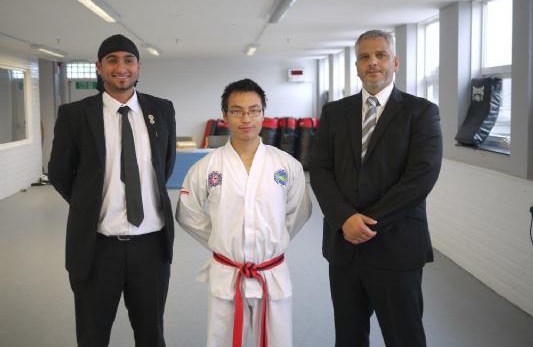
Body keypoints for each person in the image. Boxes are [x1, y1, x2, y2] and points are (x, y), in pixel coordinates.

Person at [310, 30, 443, 347]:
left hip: (397, 245)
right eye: (364, 57)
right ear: (356, 66)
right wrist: (345, 218)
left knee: (404, 337)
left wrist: (368, 223)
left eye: (380, 55)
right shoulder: (334, 113)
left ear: (395, 62)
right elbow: (320, 170)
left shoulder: (421, 112)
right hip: (345, 248)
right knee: (349, 336)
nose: (372, 62)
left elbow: (421, 177)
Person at [48, 34, 176, 347]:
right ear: (99, 67)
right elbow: (60, 173)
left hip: (151, 246)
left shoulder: (161, 110)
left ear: (139, 66)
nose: (121, 67)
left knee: (151, 335)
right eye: (112, 60)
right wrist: (88, 202)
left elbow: (165, 165)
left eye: (128, 60)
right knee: (92, 337)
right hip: (97, 248)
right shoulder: (75, 115)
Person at [176, 78, 311, 347]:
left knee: (277, 341)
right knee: (223, 341)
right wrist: (220, 237)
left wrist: (273, 237)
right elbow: (187, 213)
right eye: (237, 111)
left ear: (263, 114)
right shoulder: (207, 167)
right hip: (227, 273)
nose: (246, 118)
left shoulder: (286, 165)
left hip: (271, 272)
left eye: (254, 110)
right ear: (225, 116)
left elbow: (299, 212)